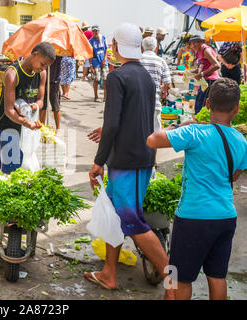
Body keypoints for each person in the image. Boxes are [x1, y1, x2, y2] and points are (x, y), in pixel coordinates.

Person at [86, 23, 173, 300]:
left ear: (114, 46)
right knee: (114, 216)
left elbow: (112, 123)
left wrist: (98, 161)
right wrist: (108, 129)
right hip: (141, 156)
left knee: (132, 222)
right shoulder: (147, 77)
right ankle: (109, 273)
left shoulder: (116, 77)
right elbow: (137, 119)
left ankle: (175, 284)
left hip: (128, 162)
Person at [146, 78, 247, 300]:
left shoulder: (194, 133)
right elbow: (234, 175)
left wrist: (179, 125)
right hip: (225, 217)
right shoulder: (241, 140)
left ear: (207, 104)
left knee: (177, 276)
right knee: (217, 276)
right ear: (236, 108)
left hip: (193, 217)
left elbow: (152, 140)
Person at [0, 42, 55, 174]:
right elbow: (9, 109)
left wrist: (35, 106)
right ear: (35, 55)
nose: (43, 68)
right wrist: (26, 123)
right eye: (43, 64)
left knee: (26, 170)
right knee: (11, 172)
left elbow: (40, 100)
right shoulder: (13, 74)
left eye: (46, 66)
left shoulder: (42, 74)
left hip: (27, 130)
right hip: (9, 127)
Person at [141, 36, 172, 132]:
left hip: (137, 103)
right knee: (154, 135)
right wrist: (161, 89)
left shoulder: (137, 60)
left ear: (142, 47)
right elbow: (168, 84)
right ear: (156, 47)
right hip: (154, 103)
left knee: (139, 134)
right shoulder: (161, 61)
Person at [189, 36, 220, 115]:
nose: (193, 45)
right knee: (199, 102)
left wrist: (202, 74)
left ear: (200, 42)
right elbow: (202, 66)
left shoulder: (206, 50)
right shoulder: (198, 51)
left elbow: (217, 65)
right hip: (204, 80)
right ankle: (199, 122)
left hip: (210, 80)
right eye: (192, 43)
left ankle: (201, 124)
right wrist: (191, 72)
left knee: (202, 105)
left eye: (195, 43)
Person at [40, 56, 62, 132]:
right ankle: (41, 127)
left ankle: (58, 129)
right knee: (42, 106)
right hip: (43, 81)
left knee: (56, 106)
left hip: (54, 81)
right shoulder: (43, 51)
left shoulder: (59, 52)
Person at [89, 25, 108, 102]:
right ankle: (96, 96)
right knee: (96, 79)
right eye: (93, 31)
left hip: (103, 61)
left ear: (99, 31)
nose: (95, 32)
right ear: (92, 32)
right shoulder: (91, 41)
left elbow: (106, 49)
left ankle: (105, 97)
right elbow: (89, 53)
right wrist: (90, 65)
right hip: (95, 61)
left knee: (105, 79)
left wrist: (105, 59)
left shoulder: (103, 38)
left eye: (96, 31)